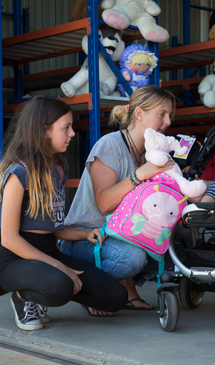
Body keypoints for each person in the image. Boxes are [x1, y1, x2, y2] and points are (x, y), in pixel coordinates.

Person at [0, 96, 127, 331]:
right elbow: (9, 238)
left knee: (115, 297)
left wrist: (84, 235)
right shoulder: (19, 173)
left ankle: (55, 287)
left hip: (49, 252)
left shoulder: (56, 169)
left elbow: (53, 228)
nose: (72, 133)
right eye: (66, 128)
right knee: (60, 285)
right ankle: (23, 297)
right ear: (44, 131)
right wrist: (59, 267)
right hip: (14, 261)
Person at [60, 85, 176, 312]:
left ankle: (128, 291)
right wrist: (140, 174)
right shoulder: (110, 144)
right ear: (139, 114)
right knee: (131, 258)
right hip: (85, 238)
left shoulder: (154, 152)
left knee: (172, 243)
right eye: (162, 114)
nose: (168, 122)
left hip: (122, 234)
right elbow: (104, 204)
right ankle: (94, 292)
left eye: (170, 115)